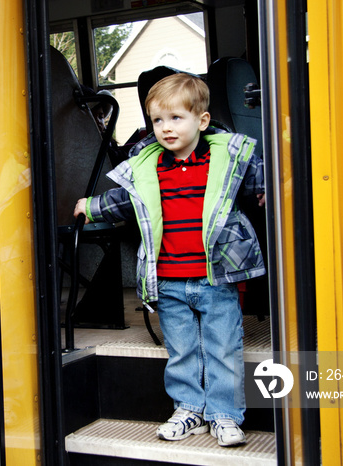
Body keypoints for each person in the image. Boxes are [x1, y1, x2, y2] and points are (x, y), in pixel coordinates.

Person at [73, 72, 266, 447]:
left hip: (216, 277)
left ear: (202, 120)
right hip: (169, 279)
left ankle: (225, 414)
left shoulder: (225, 157)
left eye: (176, 118)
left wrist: (268, 189)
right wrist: (92, 207)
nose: (165, 128)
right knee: (181, 351)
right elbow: (126, 202)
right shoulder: (149, 166)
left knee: (223, 349)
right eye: (158, 120)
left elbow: (255, 176)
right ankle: (189, 409)